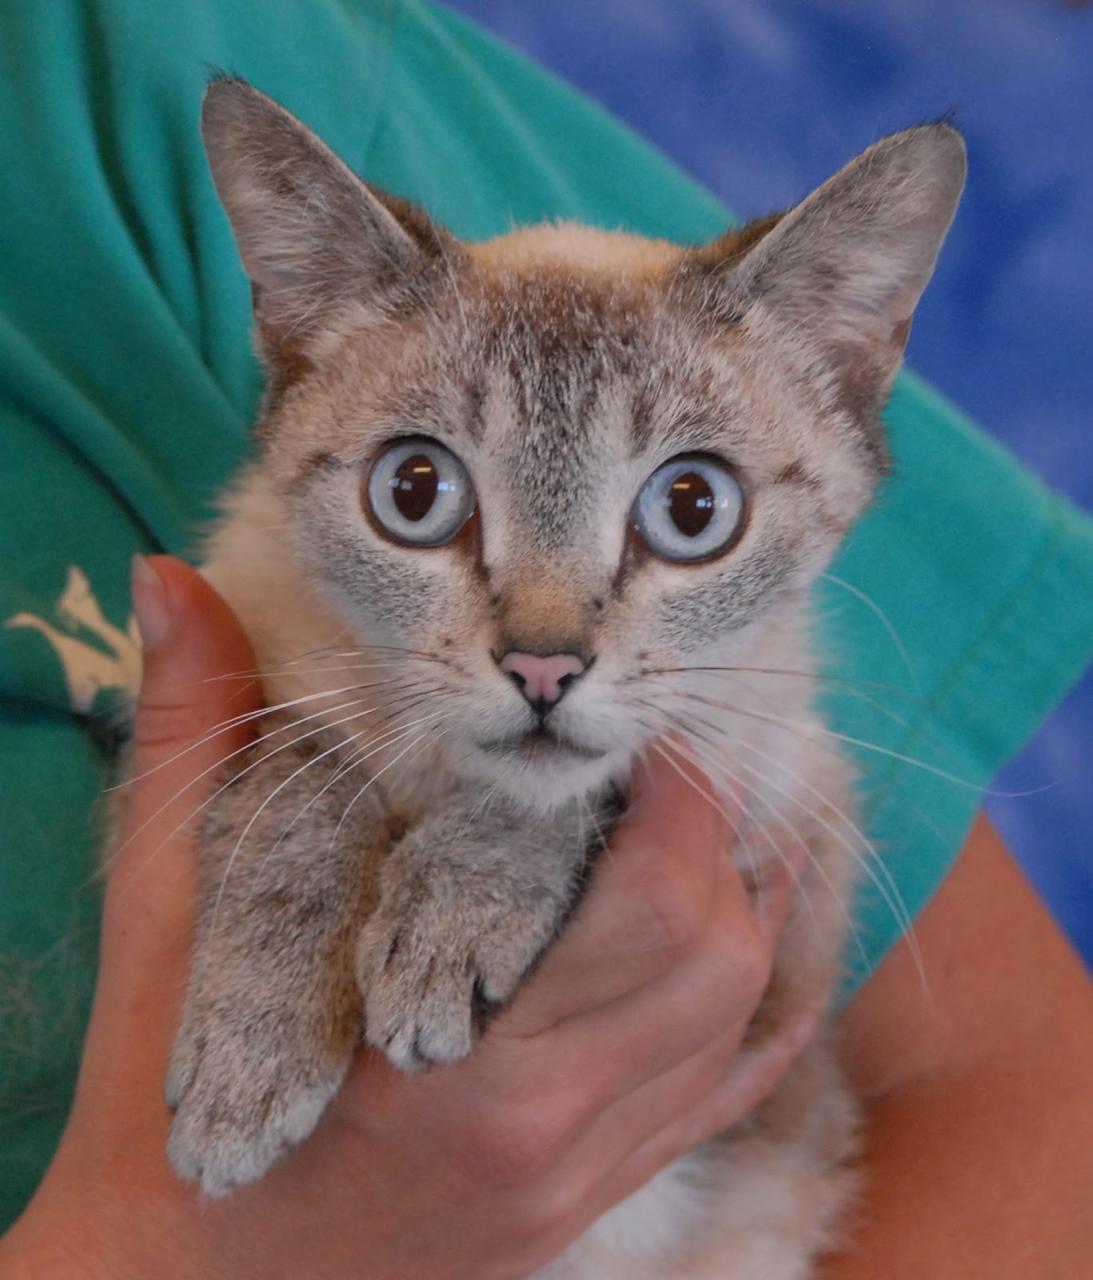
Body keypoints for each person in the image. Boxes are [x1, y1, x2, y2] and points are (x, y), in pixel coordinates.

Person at [2, 2, 1092, 1274]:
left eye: (687, 511)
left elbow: (992, 1067)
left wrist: (542, 833)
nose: (547, 641)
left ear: (846, 364)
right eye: (420, 496)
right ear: (297, 339)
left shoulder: (105, 67)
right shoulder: (286, 570)